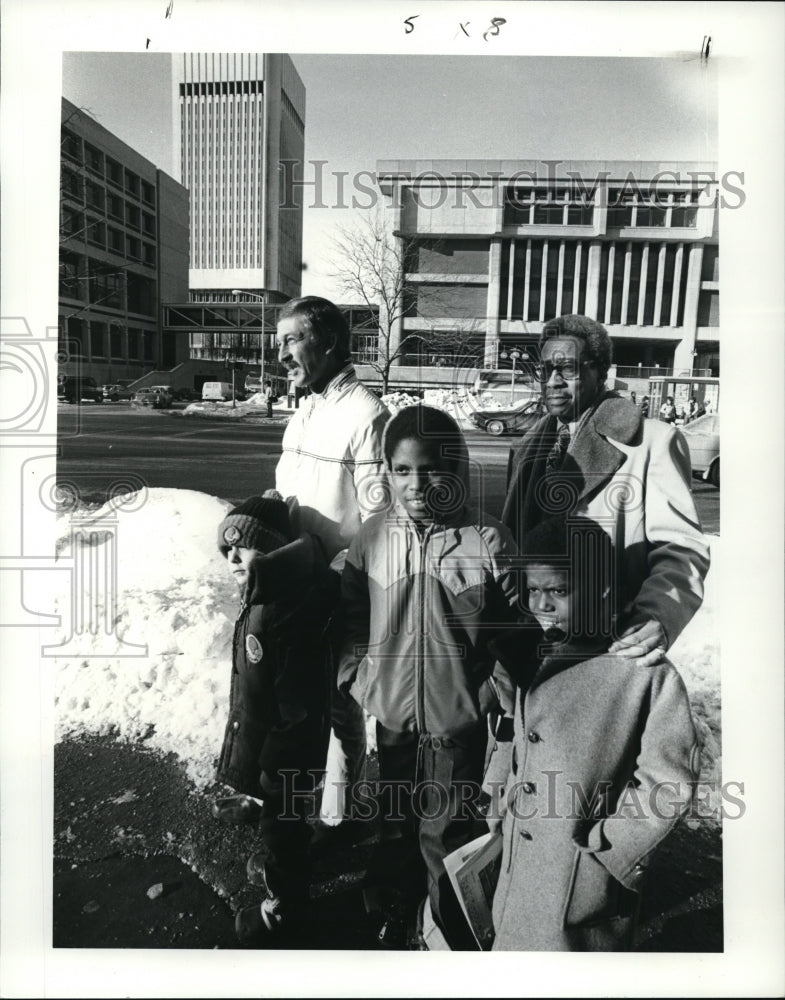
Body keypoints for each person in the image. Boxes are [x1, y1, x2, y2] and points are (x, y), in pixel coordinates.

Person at [338, 405, 520, 949]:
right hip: (391, 713)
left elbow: (514, 631)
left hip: (456, 722)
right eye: (402, 470)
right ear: (387, 472)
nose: (417, 484)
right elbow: (350, 618)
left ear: (457, 465)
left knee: (447, 826)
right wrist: (357, 677)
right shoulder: (371, 539)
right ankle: (394, 900)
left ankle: (443, 927)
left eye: (432, 468)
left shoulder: (487, 541)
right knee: (394, 809)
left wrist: (488, 695)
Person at [489, 516, 700, 951]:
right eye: (532, 590)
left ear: (603, 589)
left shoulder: (643, 675)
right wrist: (496, 797)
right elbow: (510, 731)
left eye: (559, 591)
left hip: (580, 889)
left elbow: (668, 780)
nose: (541, 604)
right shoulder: (527, 652)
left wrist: (610, 852)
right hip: (516, 874)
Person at [255, 296, 390, 838]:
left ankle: (340, 813)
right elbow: (293, 490)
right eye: (279, 340)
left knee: (340, 704)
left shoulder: (366, 413)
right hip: (293, 581)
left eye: (292, 340)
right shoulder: (306, 406)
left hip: (336, 586)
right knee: (291, 699)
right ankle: (286, 798)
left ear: (329, 342)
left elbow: (380, 517)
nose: (280, 352)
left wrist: (336, 575)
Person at [502, 314, 710, 668]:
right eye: (545, 369)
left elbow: (680, 551)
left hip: (610, 647)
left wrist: (657, 616)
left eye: (567, 369)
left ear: (601, 372)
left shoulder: (652, 443)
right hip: (532, 642)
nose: (552, 381)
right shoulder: (527, 447)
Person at [213, 496, 334, 943]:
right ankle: (286, 864)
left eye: (242, 547)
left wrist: (275, 758)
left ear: (272, 548)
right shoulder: (267, 594)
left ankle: (286, 906)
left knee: (282, 824)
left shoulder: (284, 608)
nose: (232, 559)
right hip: (277, 748)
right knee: (281, 820)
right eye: (225, 551)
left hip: (287, 752)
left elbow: (297, 700)